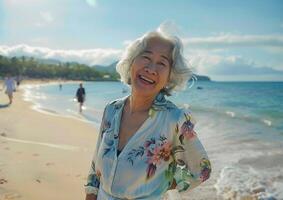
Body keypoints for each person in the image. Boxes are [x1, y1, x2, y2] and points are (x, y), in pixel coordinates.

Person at [85, 30, 211, 200]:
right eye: (146, 57)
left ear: (169, 77)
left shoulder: (175, 120)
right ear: (131, 62)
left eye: (162, 63)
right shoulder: (112, 110)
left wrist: (161, 185)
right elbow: (95, 168)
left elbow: (201, 170)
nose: (151, 68)